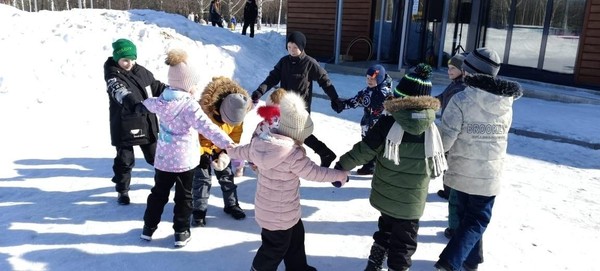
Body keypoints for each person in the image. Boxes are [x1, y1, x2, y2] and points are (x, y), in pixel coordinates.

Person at [336, 63, 447, 271]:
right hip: (412, 201)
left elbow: (365, 149)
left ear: (400, 97)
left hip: (387, 194)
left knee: (385, 230)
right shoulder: (433, 129)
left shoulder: (388, 122)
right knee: (404, 243)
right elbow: (440, 159)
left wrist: (342, 165)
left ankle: (374, 262)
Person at [226, 92, 349, 271]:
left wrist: (229, 150)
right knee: (274, 248)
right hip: (280, 216)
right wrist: (339, 175)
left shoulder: (260, 142)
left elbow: (241, 151)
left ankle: (298, 267)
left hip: (276, 210)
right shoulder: (292, 155)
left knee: (296, 237)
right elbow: (315, 173)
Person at [434, 48, 523, 271]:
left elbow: (445, 139)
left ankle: (454, 260)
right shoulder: (506, 103)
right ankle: (465, 260)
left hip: (461, 171)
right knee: (475, 220)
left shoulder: (460, 100)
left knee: (470, 219)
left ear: (469, 72)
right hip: (488, 175)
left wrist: (437, 155)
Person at [139, 49, 235, 248]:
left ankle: (148, 228)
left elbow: (146, 104)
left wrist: (138, 104)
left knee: (158, 193)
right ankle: (181, 232)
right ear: (186, 85)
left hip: (164, 160)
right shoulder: (189, 106)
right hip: (184, 162)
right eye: (193, 84)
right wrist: (227, 143)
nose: (196, 88)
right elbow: (207, 127)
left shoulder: (160, 101)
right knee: (184, 197)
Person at [251, 31, 345, 167]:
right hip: (284, 106)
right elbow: (272, 78)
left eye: (295, 47)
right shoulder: (284, 62)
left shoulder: (309, 63)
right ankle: (322, 153)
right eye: (289, 47)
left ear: (302, 47)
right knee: (291, 134)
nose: (292, 50)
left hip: (301, 108)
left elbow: (325, 81)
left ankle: (321, 153)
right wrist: (260, 91)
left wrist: (335, 98)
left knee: (298, 134)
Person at [103, 38, 167, 205]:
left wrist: (171, 92)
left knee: (156, 157)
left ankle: (164, 182)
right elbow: (120, 91)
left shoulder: (141, 71)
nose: (129, 63)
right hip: (125, 125)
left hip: (146, 123)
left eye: (132, 59)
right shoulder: (113, 75)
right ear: (117, 58)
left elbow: (155, 86)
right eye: (125, 60)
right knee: (125, 160)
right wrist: (134, 105)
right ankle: (122, 190)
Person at [191, 76, 252, 227]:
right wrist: (204, 153)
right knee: (202, 180)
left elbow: (235, 135)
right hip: (202, 149)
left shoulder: (239, 111)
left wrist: (225, 152)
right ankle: (199, 211)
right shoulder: (204, 113)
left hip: (222, 149)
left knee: (226, 177)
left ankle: (231, 204)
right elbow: (196, 135)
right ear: (220, 111)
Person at [335, 64, 393, 175]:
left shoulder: (386, 94)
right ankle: (369, 165)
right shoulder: (367, 92)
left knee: (378, 146)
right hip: (367, 124)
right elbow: (355, 101)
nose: (369, 81)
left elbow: (392, 109)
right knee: (366, 145)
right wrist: (342, 105)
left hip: (380, 126)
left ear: (379, 79)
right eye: (367, 78)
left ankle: (380, 166)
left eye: (372, 79)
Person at [435, 53, 468, 241]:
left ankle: (451, 193)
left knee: (450, 162)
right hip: (448, 128)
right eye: (448, 68)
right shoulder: (454, 85)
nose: (449, 71)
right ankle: (447, 190)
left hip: (453, 133)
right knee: (447, 161)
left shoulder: (462, 88)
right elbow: (441, 98)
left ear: (462, 71)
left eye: (452, 68)